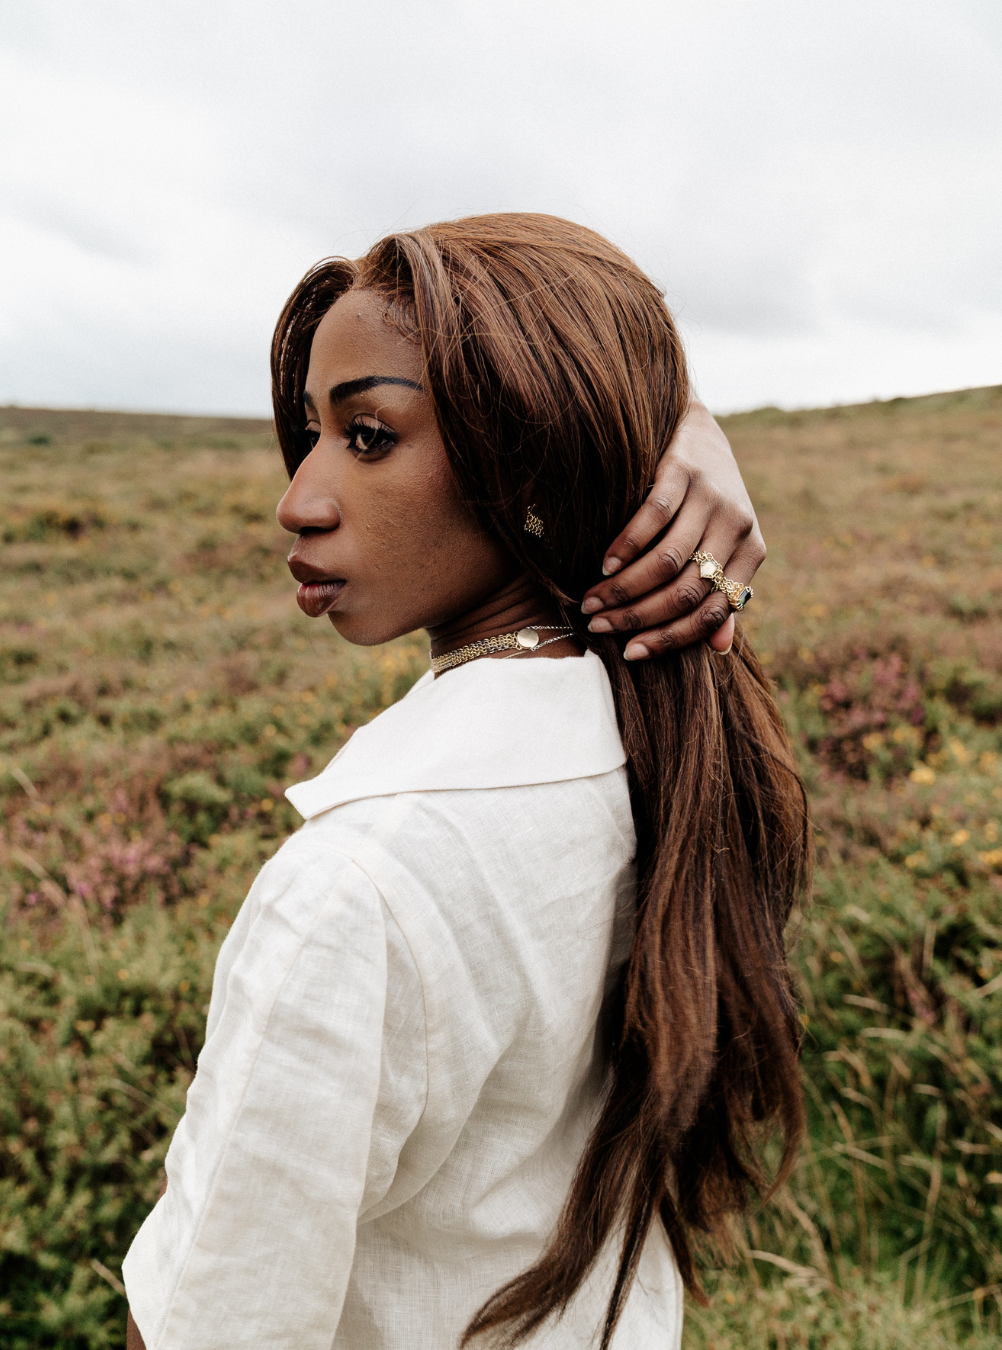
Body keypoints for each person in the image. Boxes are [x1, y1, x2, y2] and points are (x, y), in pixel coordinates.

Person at [124, 214, 808, 1349]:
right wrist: (677, 419)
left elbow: (208, 1326)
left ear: (529, 446)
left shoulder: (357, 888)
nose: (299, 497)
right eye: (311, 436)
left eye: (371, 435)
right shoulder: (658, 741)